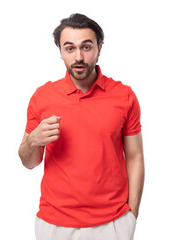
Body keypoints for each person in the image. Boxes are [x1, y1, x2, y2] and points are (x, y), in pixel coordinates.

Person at [18, 13, 145, 240]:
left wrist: (131, 215)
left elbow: (135, 156)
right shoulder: (42, 97)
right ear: (60, 51)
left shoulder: (124, 96)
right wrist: (32, 140)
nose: (78, 56)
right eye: (70, 48)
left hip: (112, 222)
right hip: (54, 224)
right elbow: (29, 162)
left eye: (86, 47)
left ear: (99, 48)